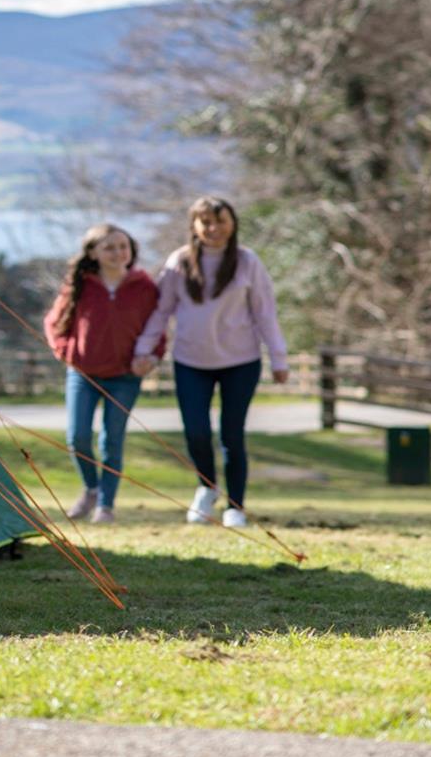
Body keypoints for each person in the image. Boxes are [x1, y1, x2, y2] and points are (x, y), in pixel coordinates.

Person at [133, 196, 289, 530]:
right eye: (206, 222)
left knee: (232, 435)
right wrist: (144, 349)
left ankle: (236, 506)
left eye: (221, 222)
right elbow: (161, 311)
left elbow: (265, 313)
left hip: (240, 361)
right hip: (190, 360)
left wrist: (278, 356)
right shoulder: (179, 263)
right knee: (196, 432)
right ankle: (206, 487)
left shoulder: (248, 262)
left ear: (233, 225)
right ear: (194, 226)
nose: (214, 228)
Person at [43, 223, 160, 524]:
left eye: (123, 246)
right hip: (83, 376)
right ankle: (91, 489)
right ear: (93, 253)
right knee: (78, 437)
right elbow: (54, 324)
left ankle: (105, 506)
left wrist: (152, 357)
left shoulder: (145, 287)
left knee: (112, 441)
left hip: (125, 378)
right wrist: (68, 352)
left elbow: (157, 329)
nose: (118, 253)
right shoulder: (79, 285)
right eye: (109, 247)